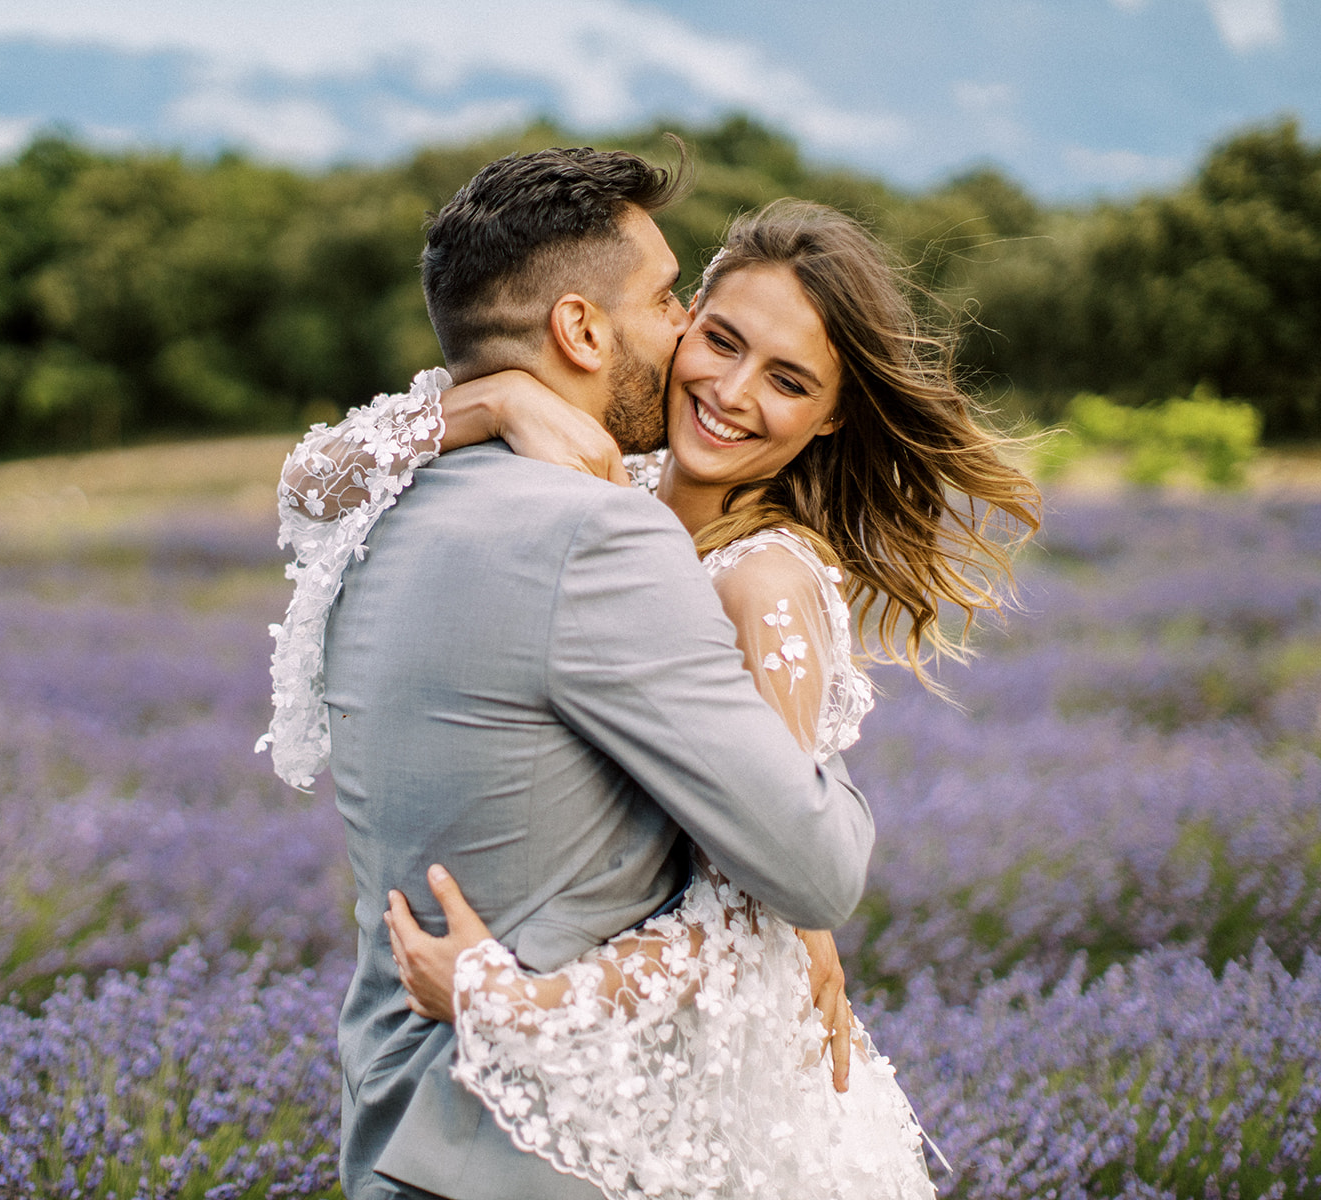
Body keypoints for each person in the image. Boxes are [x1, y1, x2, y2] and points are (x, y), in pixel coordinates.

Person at [277, 196, 1040, 1198]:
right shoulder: (600, 484)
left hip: (671, 1103)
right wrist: (493, 401)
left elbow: (754, 908)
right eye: (713, 334)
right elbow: (313, 480)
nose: (728, 389)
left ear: (831, 413)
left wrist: (527, 1002)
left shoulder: (763, 580)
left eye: (788, 380)